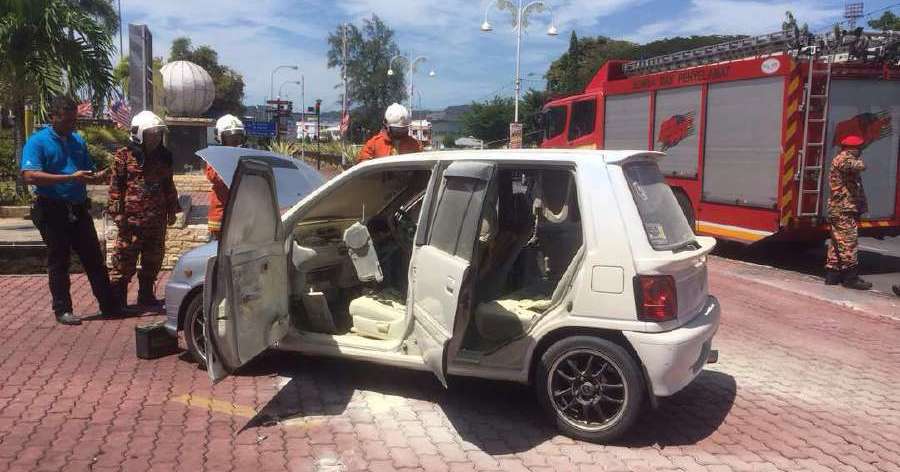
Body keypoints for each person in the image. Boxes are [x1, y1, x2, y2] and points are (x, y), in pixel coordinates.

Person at [19, 96, 121, 325]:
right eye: (66, 121)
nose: (71, 126)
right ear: (53, 117)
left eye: (74, 121)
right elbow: (29, 176)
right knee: (59, 260)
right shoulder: (37, 142)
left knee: (94, 258)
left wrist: (96, 176)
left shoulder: (76, 140)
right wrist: (68, 177)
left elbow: (84, 170)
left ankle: (109, 306)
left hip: (77, 207)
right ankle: (62, 309)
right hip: (51, 208)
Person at [107, 111, 180, 307]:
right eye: (151, 134)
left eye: (158, 134)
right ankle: (118, 301)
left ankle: (146, 295)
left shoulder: (164, 156)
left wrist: (172, 210)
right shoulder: (124, 155)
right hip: (130, 221)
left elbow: (168, 185)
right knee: (123, 260)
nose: (155, 138)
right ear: (139, 134)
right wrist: (118, 214)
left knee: (153, 259)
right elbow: (116, 187)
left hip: (156, 219)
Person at [824, 135, 871, 290]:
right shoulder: (843, 158)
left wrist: (862, 207)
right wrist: (861, 162)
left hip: (843, 209)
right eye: (858, 148)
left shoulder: (845, 161)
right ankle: (850, 278)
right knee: (849, 242)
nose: (860, 151)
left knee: (838, 243)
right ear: (851, 148)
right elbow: (858, 166)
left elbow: (856, 188)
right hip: (842, 209)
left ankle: (832, 275)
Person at [205, 114, 245, 239]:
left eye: (237, 138)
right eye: (230, 138)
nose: (234, 142)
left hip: (240, 215)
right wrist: (231, 164)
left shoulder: (245, 156)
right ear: (220, 138)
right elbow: (214, 177)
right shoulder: (213, 156)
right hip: (220, 217)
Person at [357, 103, 422, 162]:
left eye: (403, 129)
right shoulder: (374, 143)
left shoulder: (414, 144)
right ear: (386, 125)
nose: (400, 132)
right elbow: (363, 161)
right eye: (396, 129)